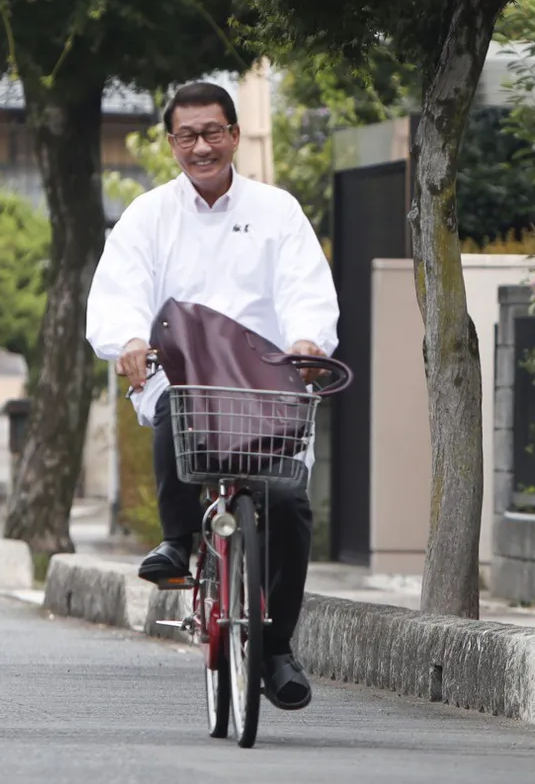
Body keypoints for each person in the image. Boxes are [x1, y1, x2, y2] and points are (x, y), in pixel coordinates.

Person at [85, 81, 338, 711]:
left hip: (267, 386)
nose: (201, 146)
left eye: (213, 132)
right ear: (172, 142)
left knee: (289, 504)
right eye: (187, 135)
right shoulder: (148, 215)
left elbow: (306, 284)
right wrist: (128, 341)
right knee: (176, 404)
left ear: (234, 135)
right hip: (187, 378)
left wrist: (308, 341)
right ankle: (176, 542)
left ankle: (276, 649)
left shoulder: (278, 210)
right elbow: (120, 289)